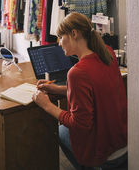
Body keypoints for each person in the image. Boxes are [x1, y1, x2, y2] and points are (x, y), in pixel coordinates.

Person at [32, 12, 127, 170]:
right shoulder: (107, 53)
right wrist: (58, 89)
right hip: (122, 140)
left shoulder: (77, 72)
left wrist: (46, 105)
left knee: (60, 130)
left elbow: (79, 125)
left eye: (61, 37)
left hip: (103, 151)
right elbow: (95, 91)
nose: (60, 44)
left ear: (74, 34)